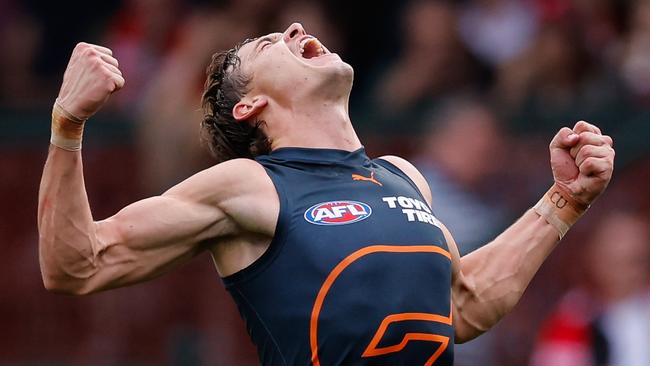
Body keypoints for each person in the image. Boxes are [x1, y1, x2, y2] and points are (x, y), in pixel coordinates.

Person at [38, 23, 615, 365]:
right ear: (250, 106)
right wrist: (68, 122)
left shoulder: (401, 176)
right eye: (267, 44)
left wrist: (563, 201)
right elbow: (76, 265)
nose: (293, 30)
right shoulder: (249, 183)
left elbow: (461, 305)